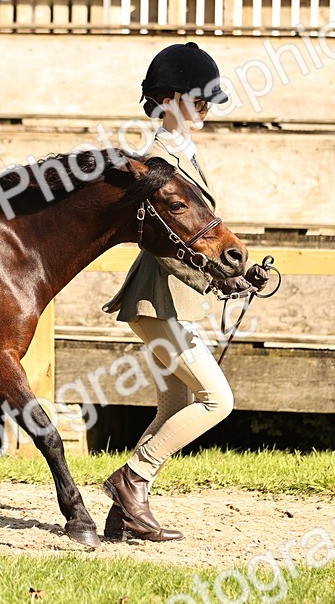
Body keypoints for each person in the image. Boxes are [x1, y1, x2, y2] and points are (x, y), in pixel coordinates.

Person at [101, 42, 268, 541]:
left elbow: (199, 236)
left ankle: (126, 514)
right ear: (172, 99)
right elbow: (163, 243)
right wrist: (217, 277)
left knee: (175, 402)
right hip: (159, 297)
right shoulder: (157, 158)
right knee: (217, 400)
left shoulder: (183, 153)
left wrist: (237, 271)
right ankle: (131, 479)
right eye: (200, 100)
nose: (207, 109)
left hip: (166, 300)